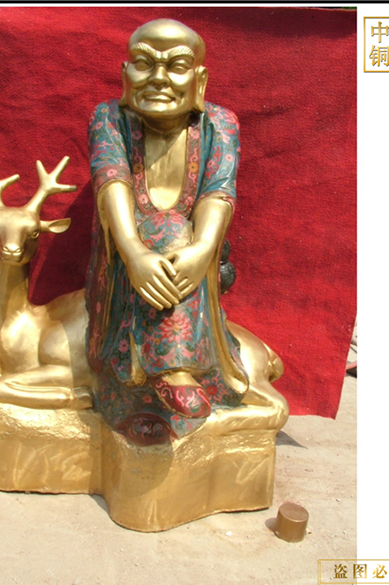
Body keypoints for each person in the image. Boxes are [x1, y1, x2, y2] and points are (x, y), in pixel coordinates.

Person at [85, 19, 249, 445]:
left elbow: (219, 191)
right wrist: (133, 251)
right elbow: (111, 181)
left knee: (174, 228)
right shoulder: (109, 119)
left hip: (191, 264)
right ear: (125, 74)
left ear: (199, 79)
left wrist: (203, 247)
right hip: (125, 266)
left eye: (175, 66)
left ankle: (178, 368)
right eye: (144, 64)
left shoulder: (219, 124)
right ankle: (155, 376)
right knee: (163, 226)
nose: (158, 78)